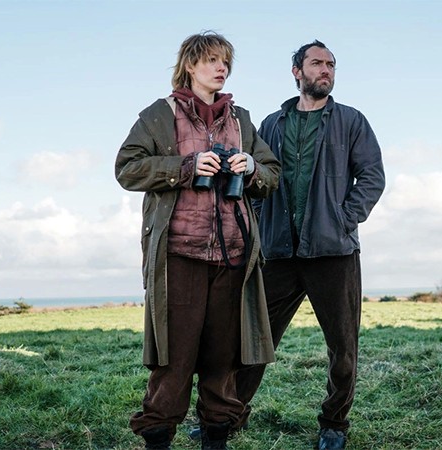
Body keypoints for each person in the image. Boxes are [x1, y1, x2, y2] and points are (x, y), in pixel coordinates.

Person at [115, 31, 281, 450]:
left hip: (233, 256)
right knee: (174, 358)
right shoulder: (160, 114)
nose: (221, 68)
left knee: (223, 359)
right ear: (190, 65)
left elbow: (271, 174)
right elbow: (127, 168)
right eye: (211, 60)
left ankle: (216, 439)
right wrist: (186, 167)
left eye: (225, 61)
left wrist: (250, 168)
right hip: (179, 254)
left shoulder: (241, 120)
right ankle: (158, 438)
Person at [229, 39, 385, 449]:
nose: (326, 70)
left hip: (334, 252)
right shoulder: (271, 124)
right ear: (297, 72)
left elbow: (372, 177)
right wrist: (260, 226)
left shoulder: (351, 121)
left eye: (331, 64)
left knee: (342, 348)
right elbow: (257, 181)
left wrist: (344, 219)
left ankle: (334, 424)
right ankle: (230, 415)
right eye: (317, 63)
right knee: (255, 340)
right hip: (278, 252)